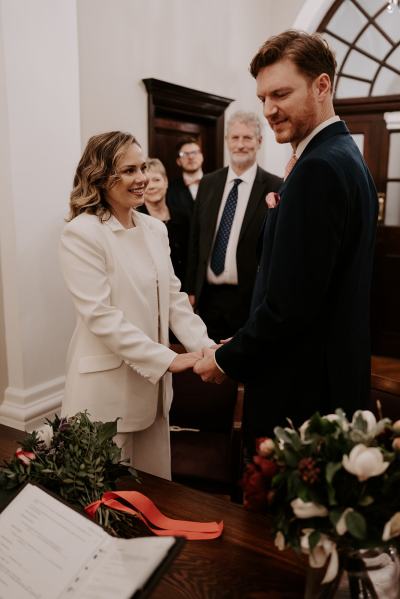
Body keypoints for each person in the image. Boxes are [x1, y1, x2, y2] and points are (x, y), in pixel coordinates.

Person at [194, 30, 378, 454]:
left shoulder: (320, 169)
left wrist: (227, 359)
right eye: (262, 98)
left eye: (280, 94)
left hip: (302, 396)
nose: (269, 110)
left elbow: (290, 306)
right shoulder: (340, 155)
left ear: (322, 85)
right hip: (322, 377)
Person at [59, 131, 214, 480]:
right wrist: (170, 359)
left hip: (154, 396)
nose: (142, 178)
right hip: (105, 397)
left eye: (142, 167)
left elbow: (174, 299)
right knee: (106, 502)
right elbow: (101, 318)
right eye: (129, 170)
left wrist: (206, 349)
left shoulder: (155, 229)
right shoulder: (82, 234)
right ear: (100, 176)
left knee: (153, 497)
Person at [186, 110, 282, 341]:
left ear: (259, 142)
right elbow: (196, 239)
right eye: (235, 138)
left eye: (247, 138)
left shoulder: (276, 186)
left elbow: (276, 249)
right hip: (208, 298)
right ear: (227, 141)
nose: (240, 144)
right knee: (207, 366)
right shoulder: (208, 183)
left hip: (249, 299)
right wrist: (190, 289)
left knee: (244, 368)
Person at [138, 158, 190, 286]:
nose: (151, 186)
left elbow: (192, 257)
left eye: (156, 180)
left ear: (166, 182)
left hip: (184, 290)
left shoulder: (184, 216)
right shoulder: (135, 220)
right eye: (146, 182)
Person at [167, 137, 204, 215]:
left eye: (194, 152)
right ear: (178, 161)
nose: (190, 157)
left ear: (202, 157)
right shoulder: (170, 189)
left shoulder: (215, 184)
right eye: (184, 154)